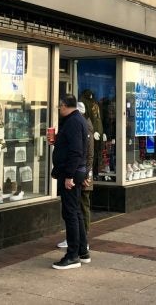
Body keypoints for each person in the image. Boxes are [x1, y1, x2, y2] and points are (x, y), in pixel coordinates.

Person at [51, 95, 89, 269]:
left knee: (70, 213)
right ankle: (82, 251)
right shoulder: (77, 120)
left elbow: (76, 151)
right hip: (76, 171)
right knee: (76, 212)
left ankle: (73, 255)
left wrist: (69, 176)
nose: (59, 109)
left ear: (65, 106)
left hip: (72, 173)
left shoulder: (73, 122)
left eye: (60, 106)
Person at [57, 102, 94, 250]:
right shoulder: (81, 123)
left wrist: (85, 174)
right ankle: (81, 246)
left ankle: (77, 246)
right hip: (80, 172)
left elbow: (84, 153)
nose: (59, 109)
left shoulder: (78, 124)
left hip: (78, 173)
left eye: (60, 106)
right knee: (77, 209)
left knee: (77, 209)